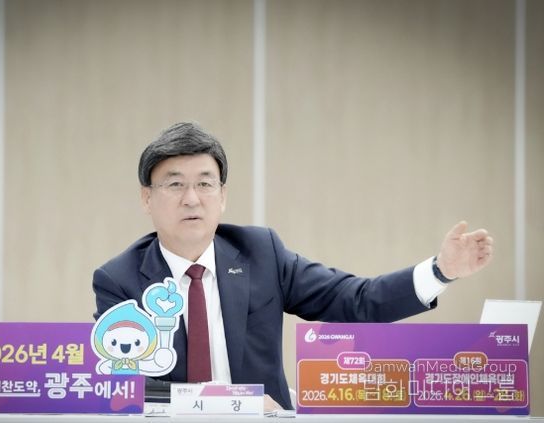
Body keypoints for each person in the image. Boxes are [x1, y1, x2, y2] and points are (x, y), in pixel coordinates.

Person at [92, 122, 494, 410]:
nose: (192, 198)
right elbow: (125, 386)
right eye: (175, 184)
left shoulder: (260, 253)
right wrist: (234, 403)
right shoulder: (119, 279)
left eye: (205, 183)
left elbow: (355, 300)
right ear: (147, 198)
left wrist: (440, 271)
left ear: (223, 196)